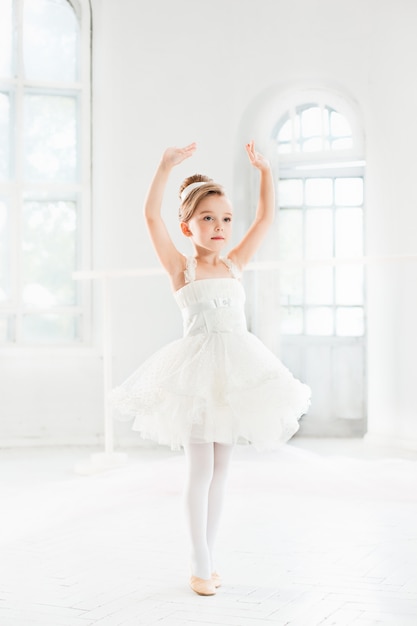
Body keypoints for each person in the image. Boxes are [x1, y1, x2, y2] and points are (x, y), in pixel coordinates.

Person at [111, 141, 311, 596]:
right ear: (187, 226)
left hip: (235, 377)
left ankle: (210, 555)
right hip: (197, 378)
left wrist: (265, 171)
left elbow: (265, 218)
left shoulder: (236, 264)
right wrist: (163, 165)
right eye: (207, 219)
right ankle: (200, 562)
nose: (219, 227)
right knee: (199, 470)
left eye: (224, 219)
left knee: (223, 470)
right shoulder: (182, 270)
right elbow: (149, 218)